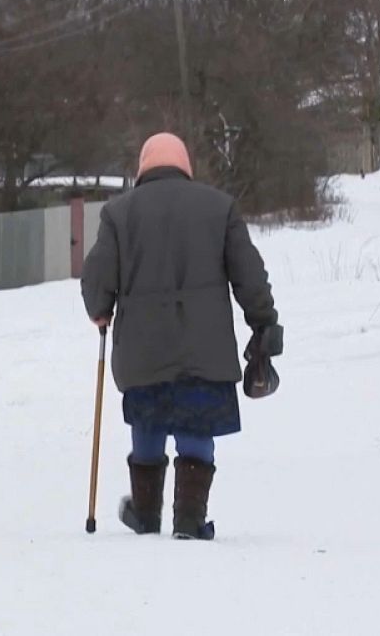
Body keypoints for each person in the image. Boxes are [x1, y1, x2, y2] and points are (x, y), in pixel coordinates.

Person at [81, 132, 279, 540]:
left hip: (142, 347)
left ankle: (145, 513)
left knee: (149, 418)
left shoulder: (119, 213)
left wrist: (100, 309)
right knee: (196, 422)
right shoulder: (218, 207)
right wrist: (262, 321)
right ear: (185, 166)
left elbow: (99, 274)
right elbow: (249, 275)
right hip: (204, 347)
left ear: (143, 168)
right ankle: (190, 518)